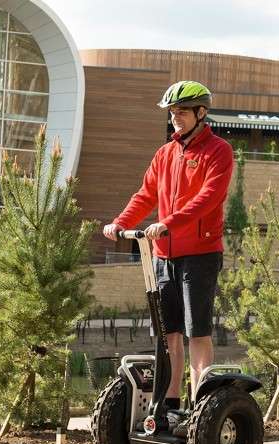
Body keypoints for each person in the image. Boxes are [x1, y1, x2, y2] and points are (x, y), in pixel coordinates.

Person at [102, 80, 234, 424]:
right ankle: (171, 403)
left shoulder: (218, 151)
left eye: (182, 112)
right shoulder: (165, 153)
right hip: (163, 255)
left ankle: (200, 406)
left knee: (197, 331)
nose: (176, 118)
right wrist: (120, 222)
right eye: (172, 112)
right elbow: (145, 195)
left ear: (201, 113)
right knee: (169, 332)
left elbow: (209, 197)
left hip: (200, 254)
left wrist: (169, 222)